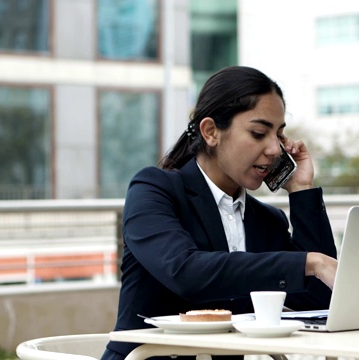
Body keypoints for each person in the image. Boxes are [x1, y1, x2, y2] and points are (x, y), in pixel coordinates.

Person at [101, 66, 338, 360]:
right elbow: (185, 272)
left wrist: (301, 190)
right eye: (259, 133)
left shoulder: (265, 221)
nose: (276, 149)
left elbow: (325, 298)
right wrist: (308, 261)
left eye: (279, 134)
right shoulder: (154, 190)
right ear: (211, 132)